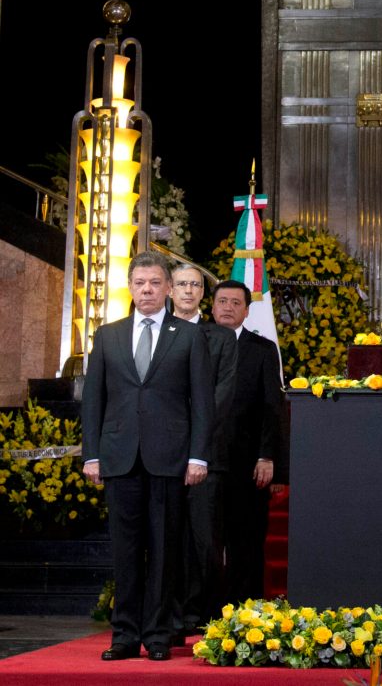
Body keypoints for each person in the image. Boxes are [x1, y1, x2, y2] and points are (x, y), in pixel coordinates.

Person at [81, 251, 213, 661]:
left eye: (156, 283)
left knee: (164, 550)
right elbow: (94, 401)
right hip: (119, 458)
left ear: (169, 289)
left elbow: (202, 403)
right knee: (124, 552)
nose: (148, 290)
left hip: (170, 459)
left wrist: (198, 457)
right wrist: (91, 455)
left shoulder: (189, 336)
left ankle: (157, 636)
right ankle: (123, 635)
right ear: (130, 287)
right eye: (140, 283)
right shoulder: (108, 335)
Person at [170, 264, 237, 638]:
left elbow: (219, 399)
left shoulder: (222, 338)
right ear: (170, 289)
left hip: (206, 454)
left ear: (202, 294)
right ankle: (171, 612)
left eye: (195, 284)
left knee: (204, 538)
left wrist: (194, 445)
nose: (189, 290)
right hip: (161, 454)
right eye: (182, 284)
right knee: (167, 536)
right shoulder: (158, 331)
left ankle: (205, 612)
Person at [211, 279, 283, 602]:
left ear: (247, 310)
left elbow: (272, 408)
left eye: (235, 303)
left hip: (247, 463)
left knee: (247, 540)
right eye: (222, 302)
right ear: (211, 307)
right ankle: (205, 611)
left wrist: (267, 456)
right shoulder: (195, 342)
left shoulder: (263, 349)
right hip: (202, 462)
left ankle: (247, 611)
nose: (228, 308)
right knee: (206, 541)